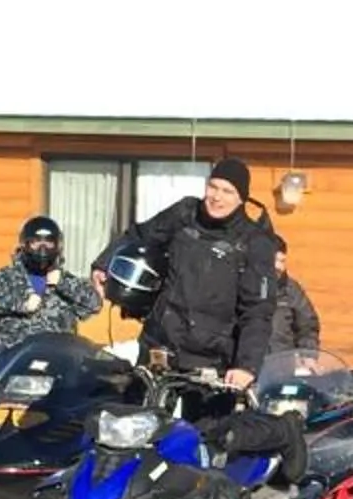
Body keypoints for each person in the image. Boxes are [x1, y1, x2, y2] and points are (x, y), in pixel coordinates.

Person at [96, 154, 279, 386]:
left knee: (203, 423)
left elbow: (258, 310)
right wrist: (105, 262)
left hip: (210, 359)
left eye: (227, 191)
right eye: (213, 187)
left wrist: (246, 366)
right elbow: (140, 236)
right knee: (141, 420)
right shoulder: (184, 214)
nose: (217, 197)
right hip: (159, 346)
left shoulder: (254, 242)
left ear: (241, 198)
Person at [0, 215, 103, 369]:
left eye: (49, 243)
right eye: (36, 243)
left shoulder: (65, 280)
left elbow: (94, 304)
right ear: (25, 244)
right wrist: (21, 304)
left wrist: (63, 284)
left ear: (57, 246)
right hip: (14, 365)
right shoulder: (5, 278)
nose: (43, 249)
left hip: (58, 366)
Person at [266, 239, 323, 355]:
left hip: (282, 364)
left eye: (282, 261)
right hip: (245, 368)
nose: (278, 266)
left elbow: (307, 327)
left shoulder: (291, 289)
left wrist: (308, 356)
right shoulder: (241, 285)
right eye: (274, 260)